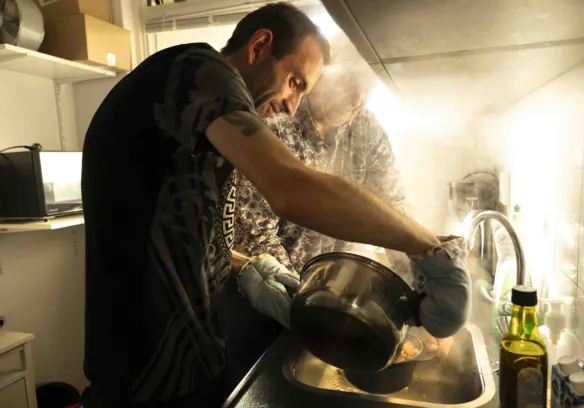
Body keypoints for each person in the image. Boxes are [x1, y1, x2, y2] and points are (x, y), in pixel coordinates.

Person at [81, 2, 443, 408]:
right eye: (295, 82)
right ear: (259, 46)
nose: (292, 104)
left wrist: (249, 266)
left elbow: (187, 229)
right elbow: (290, 190)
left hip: (193, 353)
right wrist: (427, 246)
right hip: (145, 362)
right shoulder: (196, 70)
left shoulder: (208, 124)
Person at [229, 65, 456, 386]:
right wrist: (316, 306)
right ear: (322, 73)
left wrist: (421, 298)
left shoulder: (366, 128)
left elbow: (394, 210)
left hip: (331, 306)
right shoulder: (275, 120)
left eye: (369, 88)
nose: (359, 99)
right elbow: (256, 236)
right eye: (351, 84)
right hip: (265, 305)